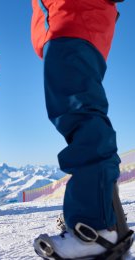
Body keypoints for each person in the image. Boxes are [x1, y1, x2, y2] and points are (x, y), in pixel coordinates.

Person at [30, 0, 133, 259]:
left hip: (72, 19)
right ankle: (105, 223)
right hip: (68, 22)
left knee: (80, 117)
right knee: (79, 117)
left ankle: (96, 227)